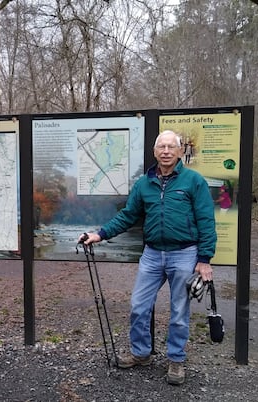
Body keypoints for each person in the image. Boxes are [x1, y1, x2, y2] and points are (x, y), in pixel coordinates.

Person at [79, 130, 216, 385]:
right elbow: (128, 215)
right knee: (139, 306)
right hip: (152, 254)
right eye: (161, 147)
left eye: (170, 147)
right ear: (155, 152)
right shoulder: (144, 183)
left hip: (184, 254)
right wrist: (100, 234)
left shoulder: (194, 182)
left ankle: (176, 360)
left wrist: (205, 259)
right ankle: (141, 354)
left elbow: (206, 221)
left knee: (179, 311)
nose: (165, 151)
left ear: (179, 151)